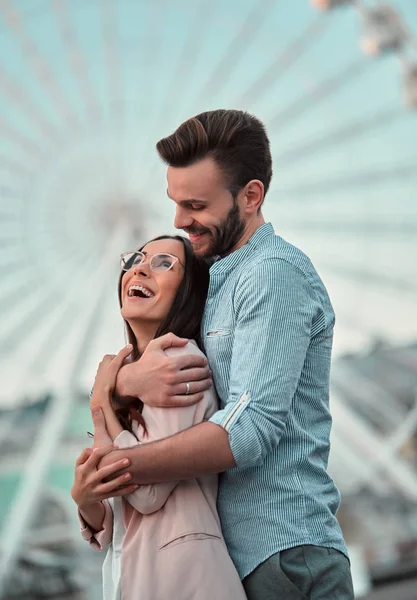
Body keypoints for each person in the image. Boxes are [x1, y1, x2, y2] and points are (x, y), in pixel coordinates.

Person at [94, 109, 355, 599]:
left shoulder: (272, 276)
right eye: (174, 202)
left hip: (284, 552)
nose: (179, 221)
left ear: (251, 196)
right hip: (235, 561)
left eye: (194, 204)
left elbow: (250, 430)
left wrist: (117, 470)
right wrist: (121, 383)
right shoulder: (214, 277)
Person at [71, 235, 247, 600]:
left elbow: (148, 494)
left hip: (186, 578)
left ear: (187, 292)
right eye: (136, 258)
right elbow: (116, 516)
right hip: (143, 575)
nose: (139, 267)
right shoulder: (131, 374)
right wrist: (86, 499)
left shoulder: (178, 362)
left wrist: (101, 401)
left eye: (164, 263)